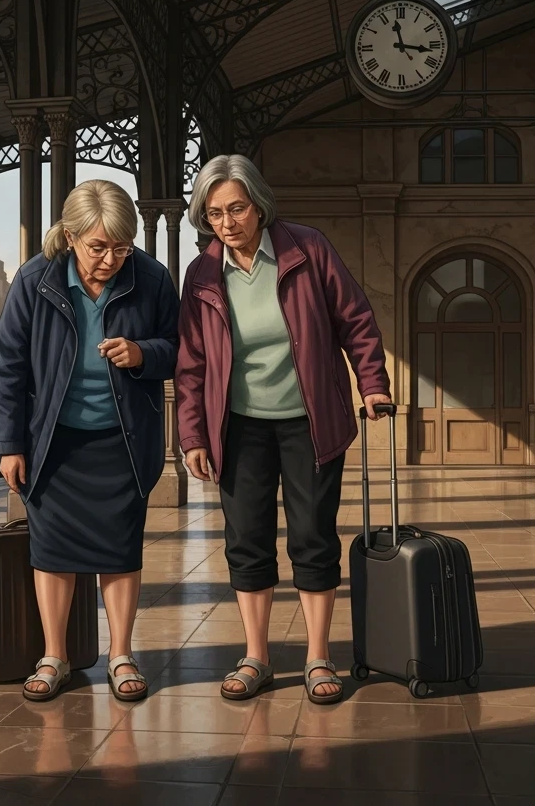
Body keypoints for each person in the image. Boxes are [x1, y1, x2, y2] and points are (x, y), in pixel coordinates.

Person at [175, 154, 392, 705]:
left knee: (313, 538)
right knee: (245, 541)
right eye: (215, 213)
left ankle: (319, 656)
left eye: (237, 208)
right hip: (238, 427)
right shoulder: (202, 273)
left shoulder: (306, 248)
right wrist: (193, 434)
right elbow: (192, 362)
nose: (227, 222)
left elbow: (355, 319)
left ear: (259, 204)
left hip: (310, 419)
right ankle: (257, 657)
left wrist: (372, 383)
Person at [0, 179, 180, 703]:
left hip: (122, 441)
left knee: (120, 552)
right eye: (99, 247)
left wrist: (143, 354)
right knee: (52, 554)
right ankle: (55, 656)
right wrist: (10, 444)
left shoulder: (153, 278)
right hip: (53, 444)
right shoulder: (35, 280)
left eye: (122, 247)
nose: (111, 259)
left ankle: (121, 655)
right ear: (70, 236)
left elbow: (180, 348)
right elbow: (7, 367)